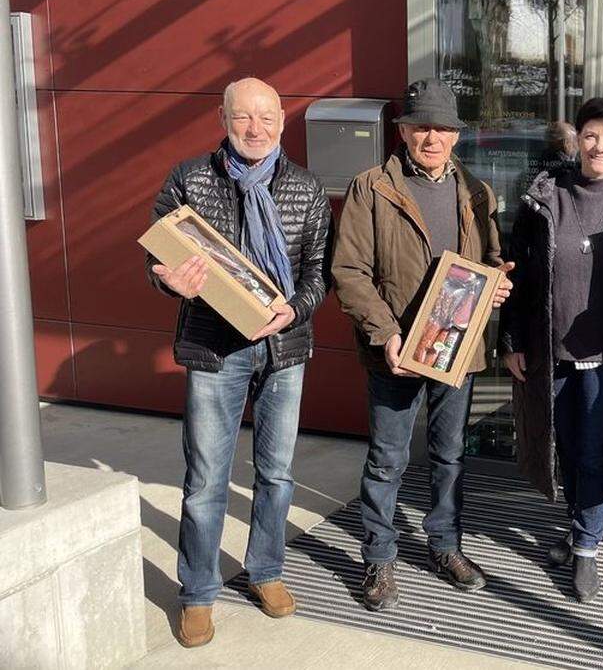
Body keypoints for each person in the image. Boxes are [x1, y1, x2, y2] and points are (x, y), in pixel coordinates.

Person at [145, 77, 331, 648]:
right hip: (214, 348)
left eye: (267, 118)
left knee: (276, 474)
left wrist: (292, 312)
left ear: (282, 120)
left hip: (283, 351)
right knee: (206, 479)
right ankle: (198, 592)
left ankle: (266, 570)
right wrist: (169, 280)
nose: (256, 129)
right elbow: (158, 255)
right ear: (223, 118)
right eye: (244, 117)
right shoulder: (190, 179)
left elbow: (317, 273)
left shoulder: (305, 186)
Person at [331, 79, 512, 611]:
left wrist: (498, 282)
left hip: (456, 348)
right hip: (396, 352)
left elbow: (492, 259)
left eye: (441, 127)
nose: (430, 137)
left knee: (450, 455)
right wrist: (386, 333)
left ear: (456, 136)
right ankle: (380, 557)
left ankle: (445, 545)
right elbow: (349, 271)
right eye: (420, 126)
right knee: (388, 460)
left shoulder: (477, 192)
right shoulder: (372, 187)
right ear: (404, 131)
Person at [499, 97, 603, 603]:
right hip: (550, 355)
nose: (600, 146)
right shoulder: (546, 198)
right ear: (577, 141)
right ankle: (576, 532)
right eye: (592, 135)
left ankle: (588, 548)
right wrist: (512, 340)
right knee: (562, 450)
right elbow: (516, 275)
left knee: (594, 453)